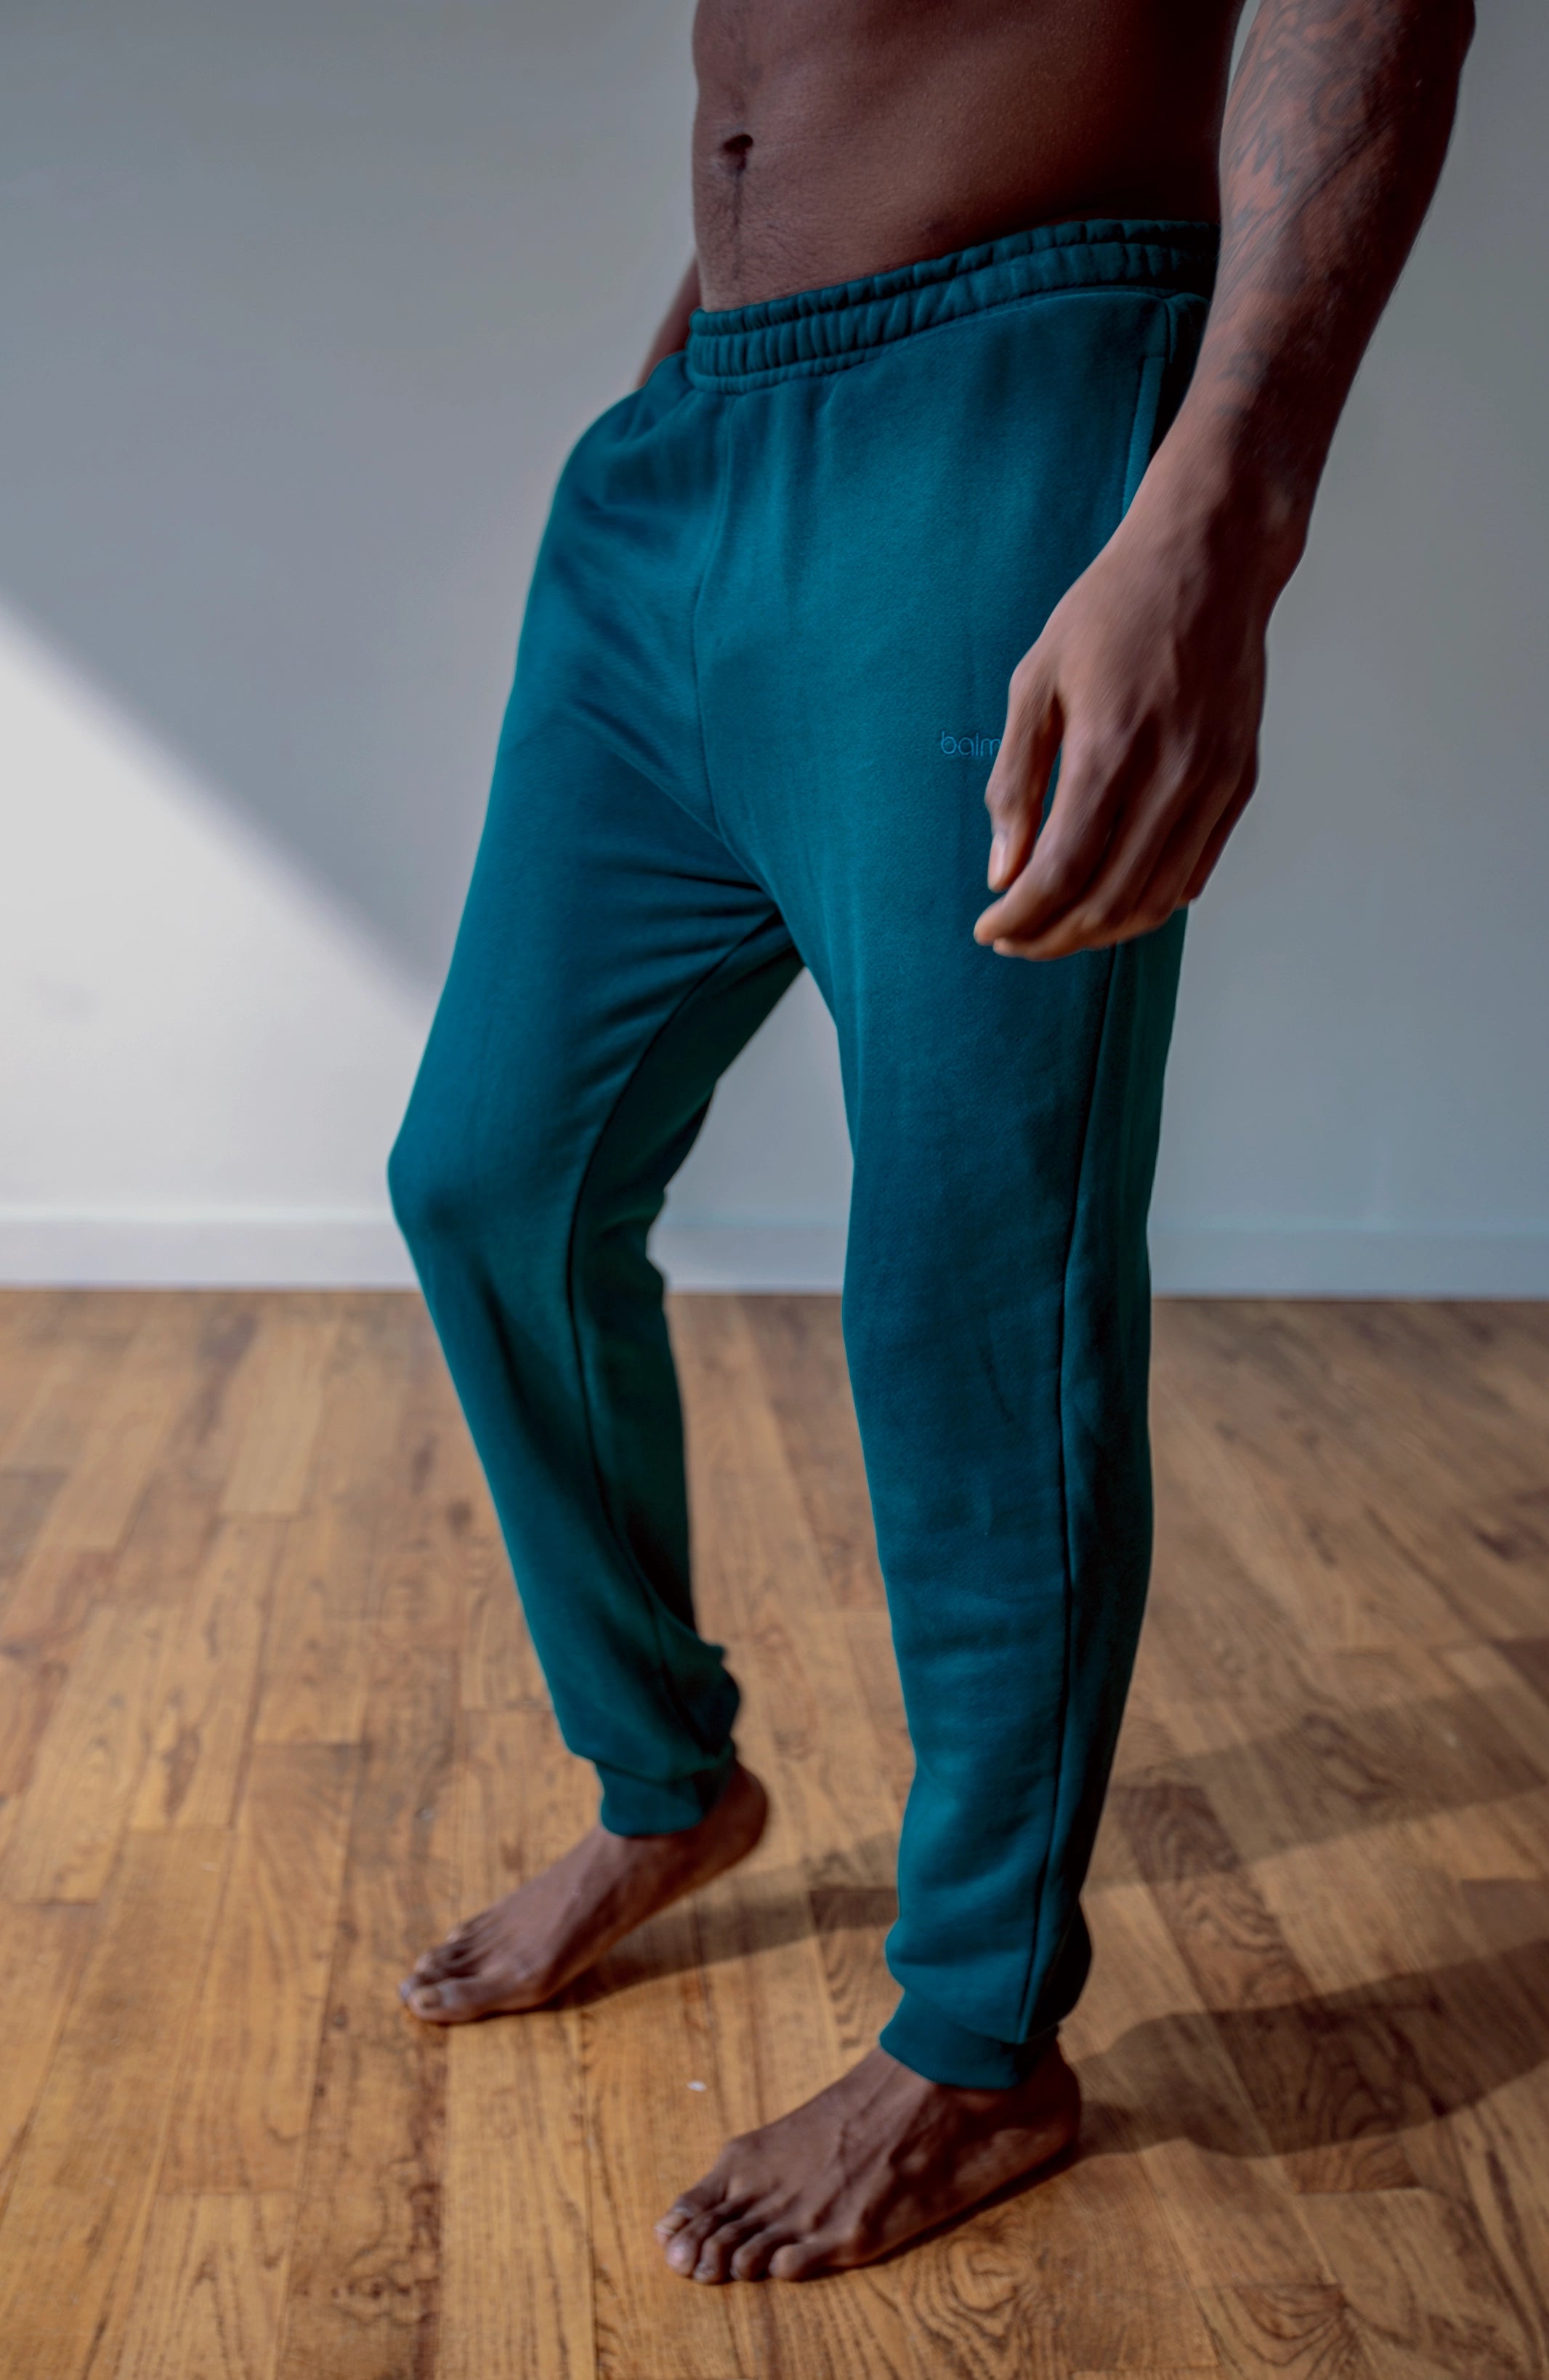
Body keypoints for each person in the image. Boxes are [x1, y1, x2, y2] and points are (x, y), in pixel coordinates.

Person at [388, 0, 1473, 2285]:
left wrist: (1223, 491)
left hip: (1010, 400)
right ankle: (667, 1778)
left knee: (977, 1284)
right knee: (489, 1175)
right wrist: (705, 368)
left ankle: (982, 2042)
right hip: (701, 439)